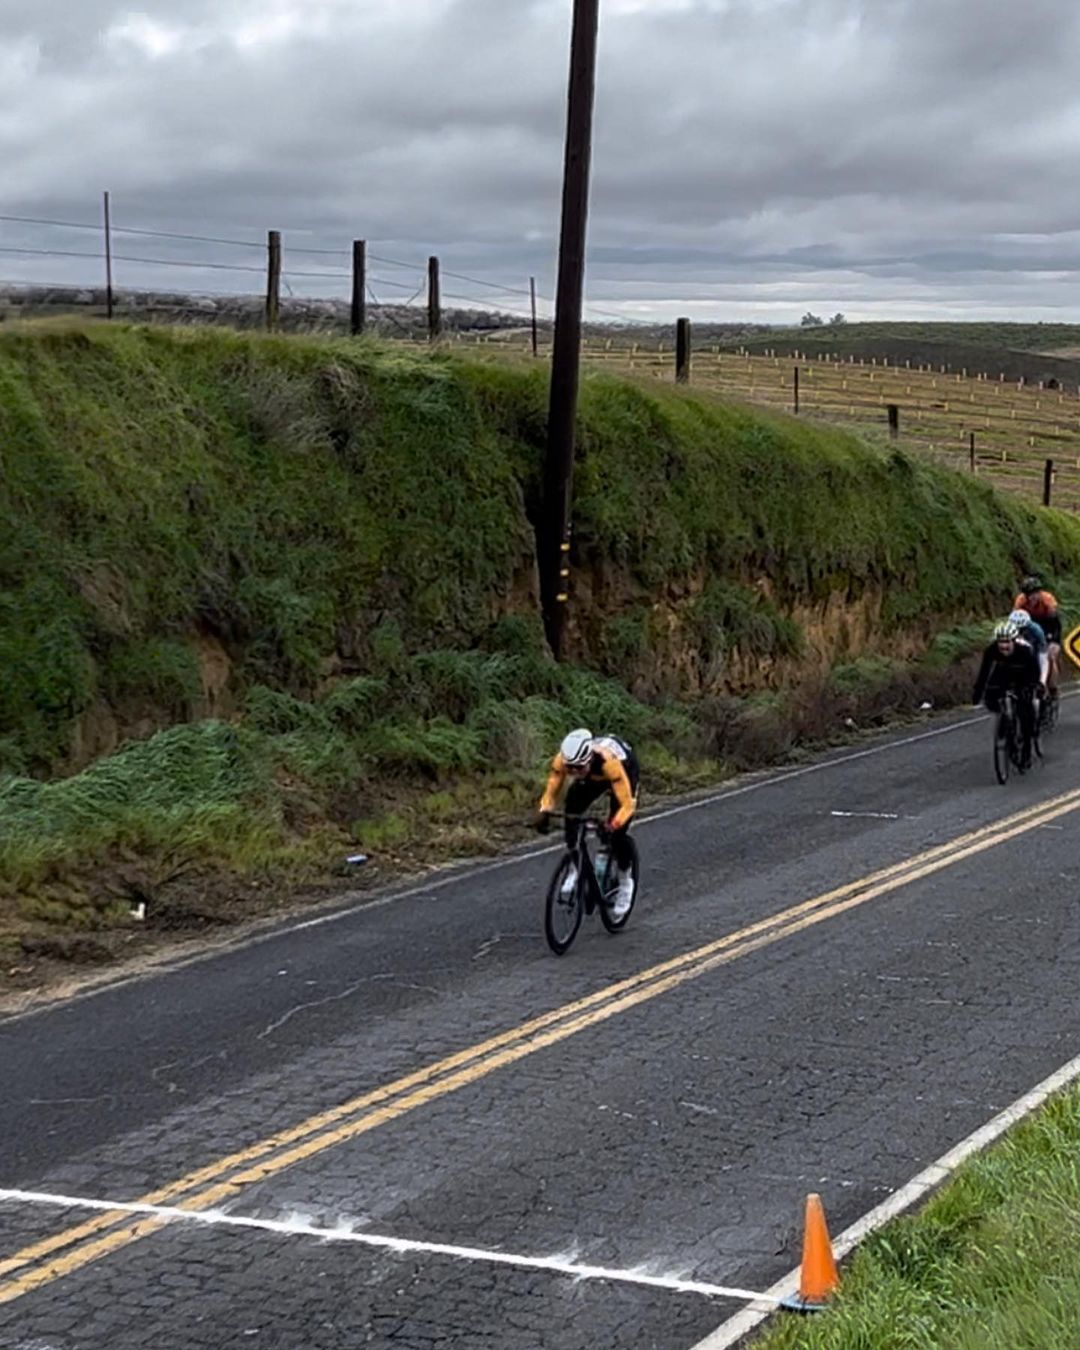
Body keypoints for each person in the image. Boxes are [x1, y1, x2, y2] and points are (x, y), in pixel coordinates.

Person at [536, 729, 639, 917]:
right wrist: (544, 811)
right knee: (571, 811)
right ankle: (575, 866)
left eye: (579, 768)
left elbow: (627, 805)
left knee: (617, 836)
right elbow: (552, 788)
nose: (575, 772)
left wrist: (613, 825)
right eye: (571, 769)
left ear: (590, 759)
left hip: (623, 773)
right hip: (593, 777)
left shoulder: (609, 764)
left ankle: (625, 883)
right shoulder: (564, 760)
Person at [973, 621, 1040, 768]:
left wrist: (1032, 687)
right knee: (993, 698)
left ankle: (1026, 750)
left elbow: (1034, 672)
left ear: (1014, 640)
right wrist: (978, 694)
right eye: (1000, 642)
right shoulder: (991, 650)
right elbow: (984, 673)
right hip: (1002, 675)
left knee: (1025, 712)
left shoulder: (1025, 651)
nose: (1004, 646)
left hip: (1023, 676)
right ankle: (1005, 724)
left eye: (1007, 642)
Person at [1014, 576, 1062, 690]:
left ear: (1039, 592)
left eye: (1035, 593)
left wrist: (1054, 641)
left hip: (1049, 627)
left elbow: (1056, 623)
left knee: (1050, 656)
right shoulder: (1020, 601)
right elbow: (1015, 621)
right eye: (1029, 594)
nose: (1032, 597)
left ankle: (1053, 688)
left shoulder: (1047, 600)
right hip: (1030, 627)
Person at [1008, 608, 1049, 689]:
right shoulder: (1007, 628)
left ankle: (1042, 682)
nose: (1019, 630)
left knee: (1042, 660)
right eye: (1016, 628)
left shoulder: (1036, 629)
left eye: (1022, 628)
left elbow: (1043, 646)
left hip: (1035, 647)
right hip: (1017, 649)